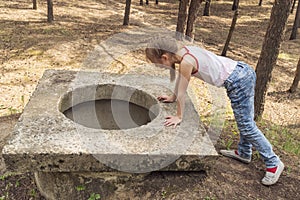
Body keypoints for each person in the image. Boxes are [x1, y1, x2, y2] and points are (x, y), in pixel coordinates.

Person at [145, 37, 284, 186]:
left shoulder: (186, 62)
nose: (159, 67)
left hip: (238, 81)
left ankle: (273, 162)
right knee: (244, 121)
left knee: (246, 125)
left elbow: (183, 92)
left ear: (165, 57)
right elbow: (180, 82)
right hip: (242, 71)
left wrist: (179, 116)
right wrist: (172, 97)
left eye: (158, 64)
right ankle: (244, 152)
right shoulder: (184, 52)